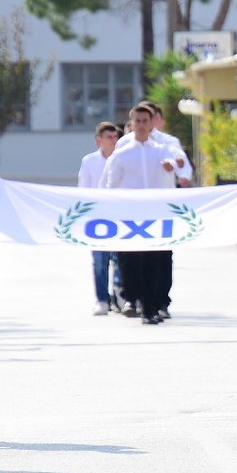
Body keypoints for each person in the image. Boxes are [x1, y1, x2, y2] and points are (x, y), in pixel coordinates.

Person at [101, 103, 180, 324]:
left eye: (146, 121)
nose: (142, 125)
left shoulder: (162, 151)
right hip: (130, 216)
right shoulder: (122, 154)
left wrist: (174, 166)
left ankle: (150, 307)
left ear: (152, 123)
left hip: (155, 215)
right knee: (131, 263)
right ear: (132, 124)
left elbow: (179, 168)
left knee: (153, 262)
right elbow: (111, 185)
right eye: (138, 121)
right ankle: (136, 300)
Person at [78, 121, 123, 315]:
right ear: (99, 141)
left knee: (120, 258)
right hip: (98, 218)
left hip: (120, 217)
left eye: (115, 137)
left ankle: (120, 294)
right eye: (109, 137)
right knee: (100, 260)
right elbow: (84, 188)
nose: (113, 141)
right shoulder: (89, 161)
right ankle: (102, 299)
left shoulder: (122, 158)